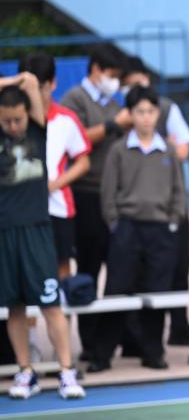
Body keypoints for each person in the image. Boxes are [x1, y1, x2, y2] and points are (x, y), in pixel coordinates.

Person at [0, 72, 85, 400]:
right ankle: (26, 372)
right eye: (6, 121)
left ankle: (66, 371)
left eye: (17, 120)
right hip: (5, 231)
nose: (13, 126)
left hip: (37, 229)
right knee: (15, 307)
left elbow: (31, 81)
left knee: (50, 305)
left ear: (28, 115)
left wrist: (12, 82)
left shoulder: (38, 128)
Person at [91, 86, 187, 372]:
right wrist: (115, 223)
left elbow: (179, 190)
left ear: (157, 114)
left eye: (150, 111)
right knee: (117, 291)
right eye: (140, 112)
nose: (146, 117)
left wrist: (173, 220)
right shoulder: (119, 150)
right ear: (130, 115)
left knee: (157, 293)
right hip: (127, 228)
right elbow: (108, 192)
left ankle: (153, 352)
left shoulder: (168, 149)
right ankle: (101, 354)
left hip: (161, 230)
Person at [120, 57, 189, 346]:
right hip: (133, 210)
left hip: (167, 205)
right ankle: (133, 336)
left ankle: (179, 327)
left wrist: (156, 146)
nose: (136, 88)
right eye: (128, 84)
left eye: (138, 81)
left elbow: (183, 149)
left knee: (178, 268)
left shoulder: (166, 108)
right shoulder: (118, 114)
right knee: (133, 275)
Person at [60, 46, 128, 357]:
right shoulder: (75, 98)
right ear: (96, 69)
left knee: (117, 269)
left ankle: (110, 340)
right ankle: (89, 343)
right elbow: (75, 139)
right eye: (111, 75)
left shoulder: (113, 102)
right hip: (85, 193)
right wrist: (114, 125)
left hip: (113, 194)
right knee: (87, 268)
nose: (114, 82)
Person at [19, 54, 91, 282]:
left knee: (61, 264)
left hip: (57, 206)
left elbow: (83, 161)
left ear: (53, 83)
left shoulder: (66, 120)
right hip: (22, 207)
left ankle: (62, 306)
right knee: (24, 268)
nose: (34, 94)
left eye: (39, 88)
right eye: (27, 88)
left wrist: (55, 184)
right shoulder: (13, 121)